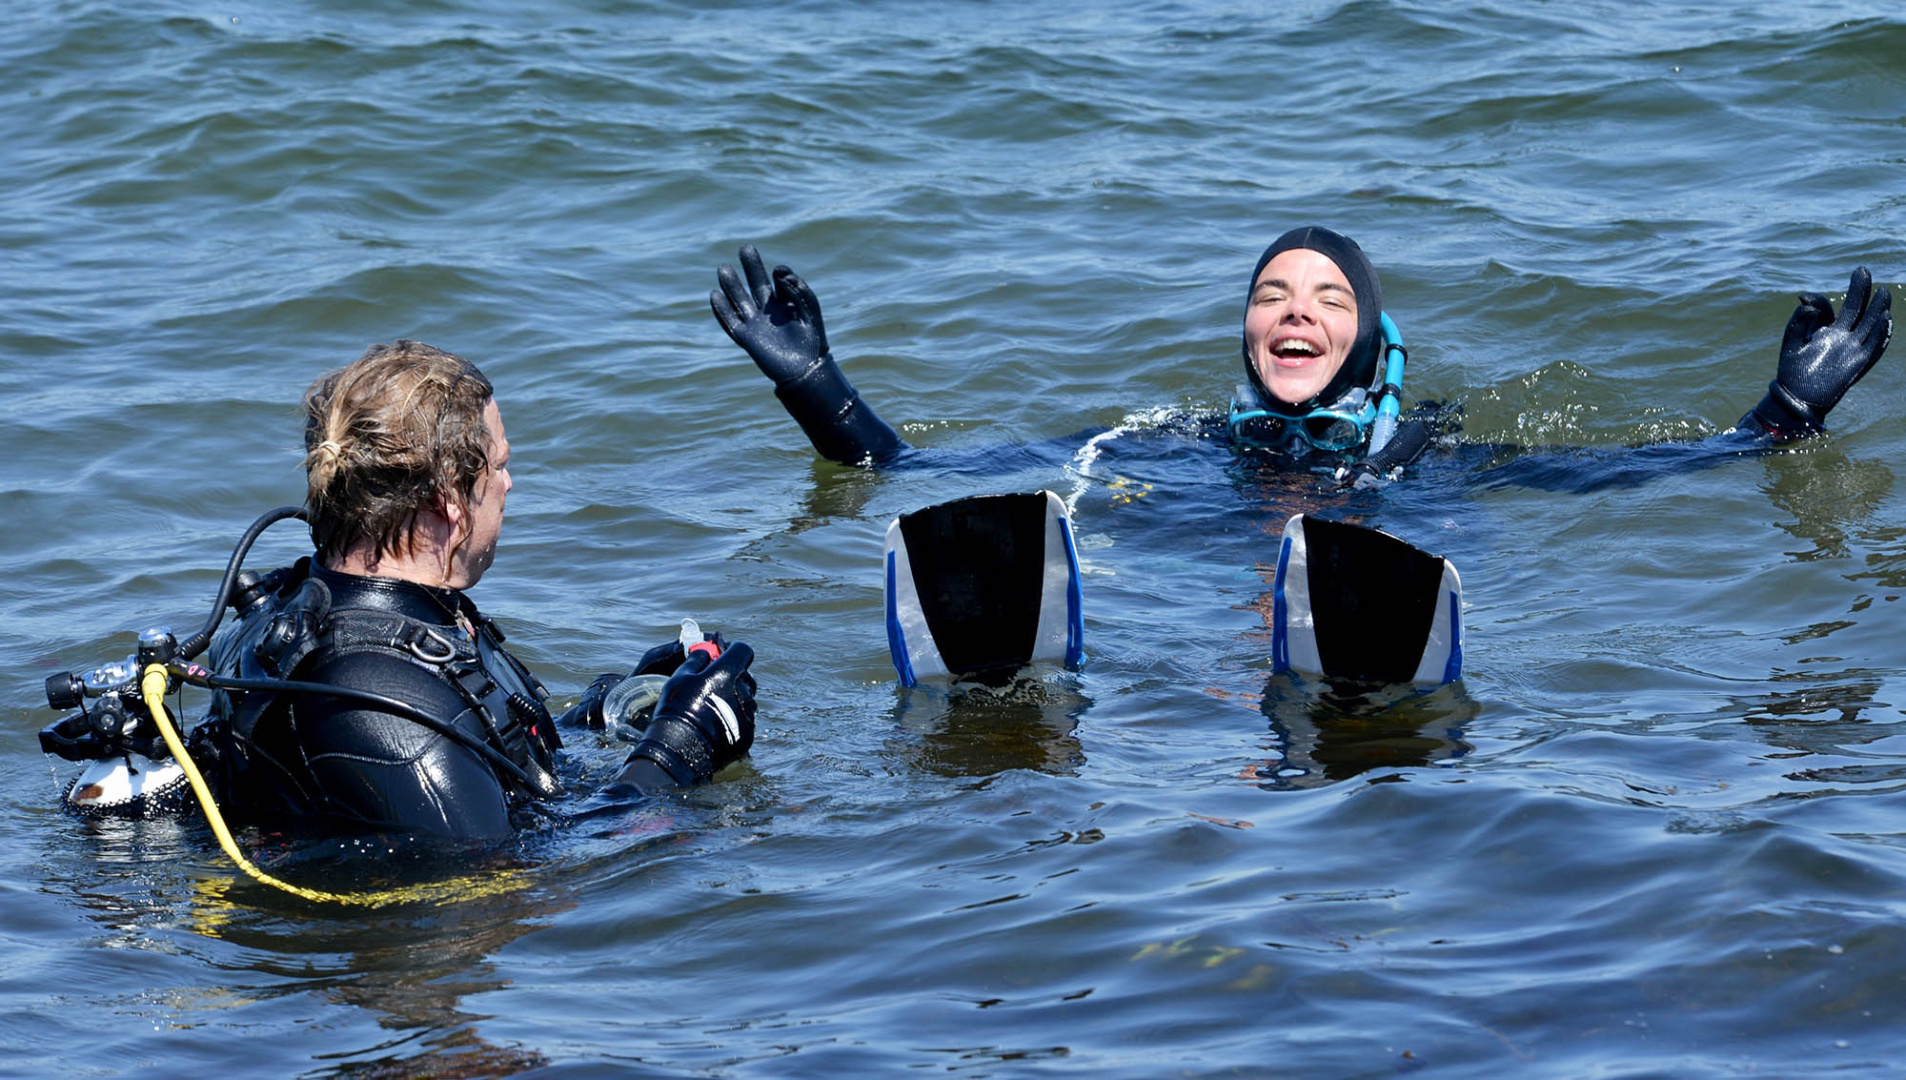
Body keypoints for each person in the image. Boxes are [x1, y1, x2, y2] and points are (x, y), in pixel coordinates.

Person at [708, 229, 1893, 485]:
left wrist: (1781, 414)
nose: (1293, 311)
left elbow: (1631, 473)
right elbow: (916, 472)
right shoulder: (1186, 443)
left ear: (1369, 337)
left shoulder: (1432, 450)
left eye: (1327, 299)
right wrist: (818, 386)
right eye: (1269, 293)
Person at [190, 340, 760, 840]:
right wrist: (675, 750)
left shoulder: (339, 608)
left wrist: (596, 714)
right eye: (500, 465)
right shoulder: (371, 696)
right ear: (449, 502)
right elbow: (507, 882)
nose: (509, 484)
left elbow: (481, 761)